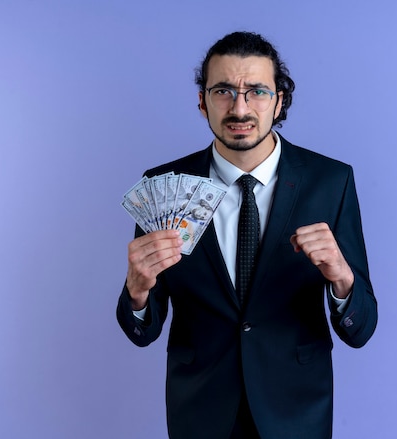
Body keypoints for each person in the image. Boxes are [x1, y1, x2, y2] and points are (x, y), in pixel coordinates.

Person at [117, 31, 378, 439]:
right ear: (202, 102)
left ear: (280, 101)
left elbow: (361, 329)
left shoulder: (331, 181)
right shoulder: (162, 187)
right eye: (223, 90)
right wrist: (136, 292)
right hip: (200, 411)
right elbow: (141, 332)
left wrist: (343, 279)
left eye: (256, 91)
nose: (240, 107)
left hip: (296, 411)